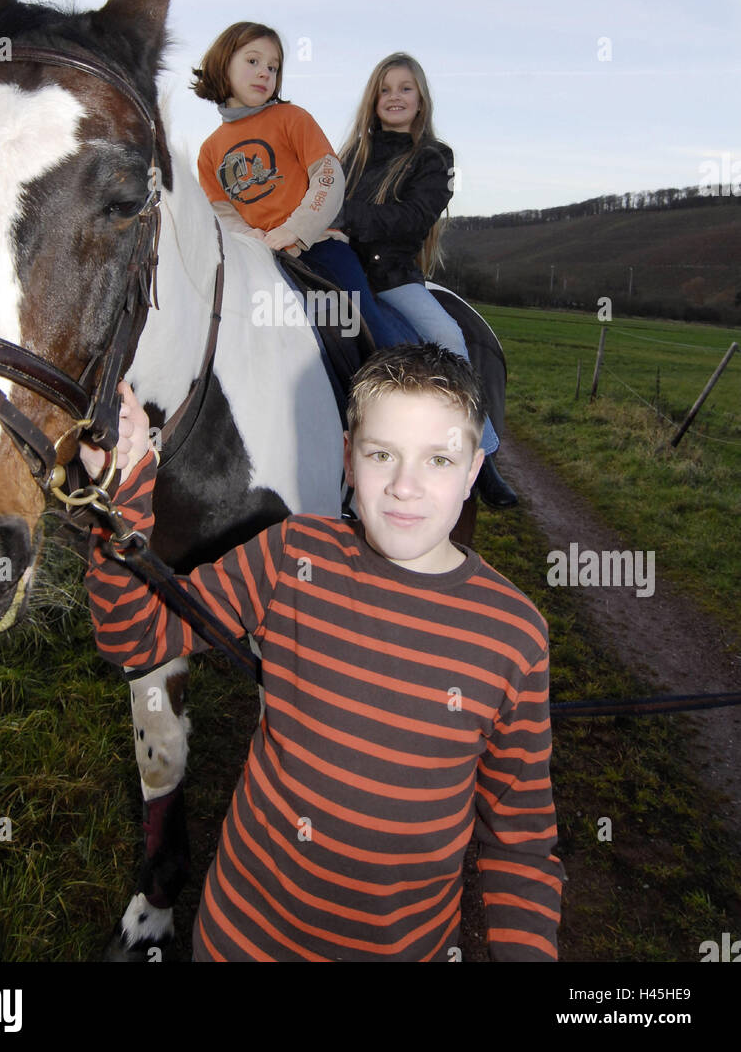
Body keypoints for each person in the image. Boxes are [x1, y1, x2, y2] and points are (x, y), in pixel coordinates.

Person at [82, 345, 564, 963]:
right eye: (380, 454)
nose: (405, 487)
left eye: (439, 459)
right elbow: (135, 637)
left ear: (474, 471)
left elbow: (520, 843)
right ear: (347, 457)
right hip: (239, 940)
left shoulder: (515, 635)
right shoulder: (291, 556)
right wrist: (123, 492)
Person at [334, 52, 518, 508]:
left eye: (405, 88)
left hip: (390, 275)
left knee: (446, 335)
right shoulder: (349, 155)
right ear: (372, 99)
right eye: (385, 89)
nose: (394, 97)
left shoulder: (433, 158)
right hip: (331, 264)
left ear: (421, 100)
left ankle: (484, 453)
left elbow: (411, 219)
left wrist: (343, 217)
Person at [192, 22, 415, 346]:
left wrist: (296, 229)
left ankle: (399, 385)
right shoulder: (209, 150)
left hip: (320, 248)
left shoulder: (291, 118)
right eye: (253, 62)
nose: (265, 73)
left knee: (367, 327)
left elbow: (329, 176)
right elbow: (220, 209)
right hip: (256, 256)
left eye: (273, 67)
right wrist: (248, 236)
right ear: (222, 63)